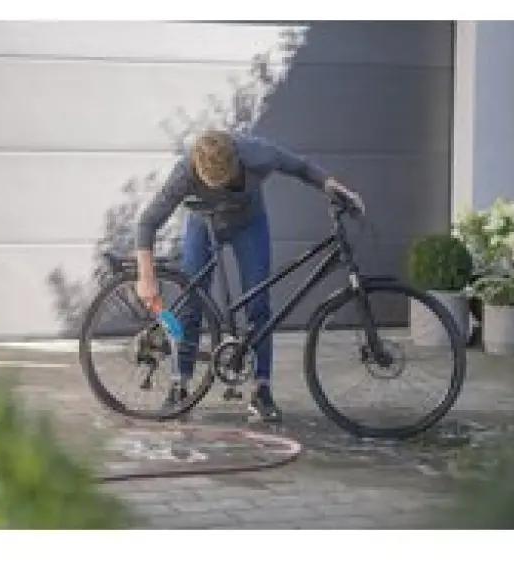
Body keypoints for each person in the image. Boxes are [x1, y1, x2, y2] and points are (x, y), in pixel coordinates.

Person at [135, 130, 364, 422]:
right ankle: (180, 384)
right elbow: (148, 222)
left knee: (258, 305)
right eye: (211, 184)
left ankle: (261, 389)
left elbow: (301, 167)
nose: (220, 188)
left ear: (237, 163)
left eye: (225, 182)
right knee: (192, 303)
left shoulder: (257, 154)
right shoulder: (185, 170)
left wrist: (336, 188)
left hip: (248, 224)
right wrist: (146, 276)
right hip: (202, 224)